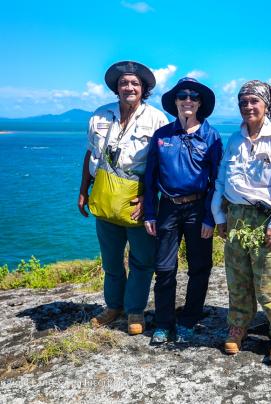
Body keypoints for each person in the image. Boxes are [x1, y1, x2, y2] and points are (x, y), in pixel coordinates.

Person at [211, 80, 271, 362]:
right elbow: (222, 180)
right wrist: (219, 216)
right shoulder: (235, 139)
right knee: (237, 278)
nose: (248, 107)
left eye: (254, 101)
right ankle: (238, 326)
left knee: (270, 282)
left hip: (266, 217)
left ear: (266, 105)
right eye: (243, 102)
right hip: (235, 216)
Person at [78, 61, 168, 335]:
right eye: (124, 83)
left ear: (144, 89)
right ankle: (113, 306)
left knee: (142, 260)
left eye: (135, 83)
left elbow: (164, 166)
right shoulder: (100, 115)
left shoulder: (157, 120)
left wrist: (148, 201)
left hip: (135, 201)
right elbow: (90, 154)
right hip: (104, 197)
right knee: (111, 260)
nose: (129, 87)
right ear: (116, 88)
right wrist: (83, 190)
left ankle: (135, 310)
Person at [143, 77, 222, 344]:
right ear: (175, 101)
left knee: (200, 267)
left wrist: (211, 217)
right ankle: (164, 322)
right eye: (182, 95)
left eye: (194, 96)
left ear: (200, 103)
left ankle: (189, 319)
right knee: (164, 268)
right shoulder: (162, 135)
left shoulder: (211, 137)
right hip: (167, 208)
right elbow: (150, 178)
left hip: (199, 208)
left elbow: (217, 181)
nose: (188, 100)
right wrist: (150, 213)